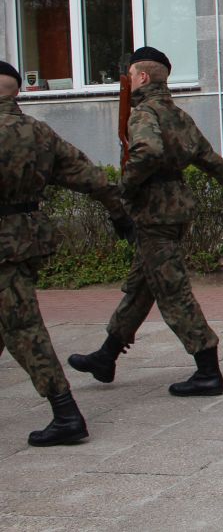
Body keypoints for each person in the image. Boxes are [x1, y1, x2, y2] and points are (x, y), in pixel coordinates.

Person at [68, 46, 223, 396]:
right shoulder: (177, 115)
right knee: (142, 287)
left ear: (142, 77)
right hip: (174, 210)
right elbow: (209, 158)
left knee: (173, 292)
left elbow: (148, 151)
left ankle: (208, 370)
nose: (127, 81)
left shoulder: (143, 113)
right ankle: (106, 356)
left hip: (154, 213)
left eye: (130, 75)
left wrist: (125, 188)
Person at [0, 60, 135, 446]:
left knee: (22, 327)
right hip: (28, 240)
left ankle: (66, 414)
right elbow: (90, 176)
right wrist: (119, 214)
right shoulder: (39, 133)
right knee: (9, 320)